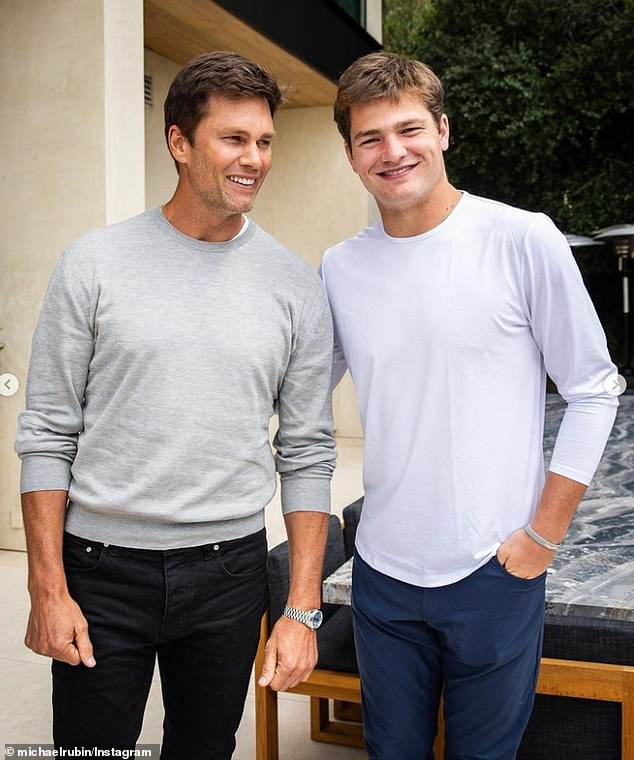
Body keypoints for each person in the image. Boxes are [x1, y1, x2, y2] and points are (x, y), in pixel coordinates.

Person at [16, 51, 335, 758]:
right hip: (100, 567)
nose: (254, 158)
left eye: (264, 141)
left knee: (204, 749)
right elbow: (46, 432)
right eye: (234, 138)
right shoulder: (93, 264)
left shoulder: (294, 286)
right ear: (180, 142)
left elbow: (309, 449)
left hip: (228, 572)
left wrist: (302, 611)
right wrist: (48, 586)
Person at [320, 51, 621, 759]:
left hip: (493, 569)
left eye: (409, 128)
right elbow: (294, 389)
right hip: (383, 578)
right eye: (371, 138)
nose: (393, 151)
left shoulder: (522, 237)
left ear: (444, 130)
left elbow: (594, 389)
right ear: (351, 155)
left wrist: (541, 538)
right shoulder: (340, 266)